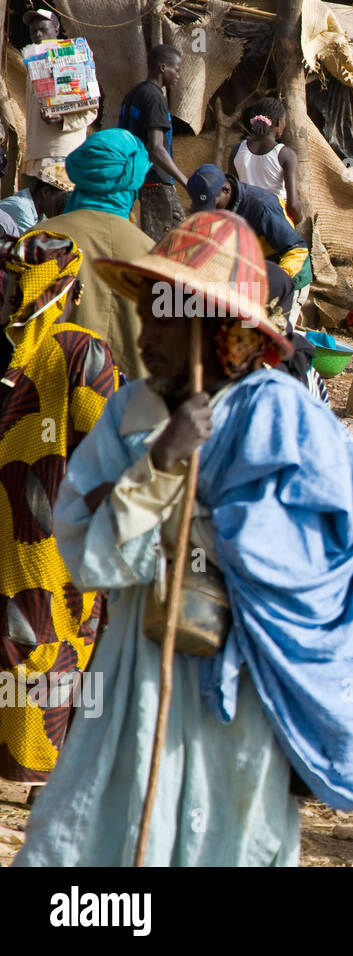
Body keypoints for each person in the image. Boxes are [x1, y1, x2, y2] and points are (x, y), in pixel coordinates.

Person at [14, 211, 353, 866]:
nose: (144, 336)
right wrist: (160, 468)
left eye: (165, 320)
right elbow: (89, 556)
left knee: (225, 844)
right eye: (145, 314)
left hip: (240, 708)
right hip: (134, 687)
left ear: (216, 326)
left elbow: (310, 565)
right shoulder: (130, 414)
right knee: (94, 842)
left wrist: (174, 520)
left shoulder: (285, 420)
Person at [0, 231, 120, 786]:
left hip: (8, 524)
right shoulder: (84, 351)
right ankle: (42, 772)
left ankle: (13, 763)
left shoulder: (9, 348)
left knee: (13, 636)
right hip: (56, 533)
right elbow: (104, 450)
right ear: (69, 289)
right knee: (57, 642)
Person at [37, 129, 155, 381]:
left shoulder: (38, 240)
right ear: (134, 183)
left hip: (48, 409)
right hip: (132, 410)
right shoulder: (155, 256)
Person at [186, 164, 312, 321]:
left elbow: (297, 250)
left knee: (273, 333)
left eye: (213, 205)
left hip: (287, 278)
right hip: (253, 277)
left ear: (226, 190)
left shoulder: (262, 207)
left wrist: (272, 286)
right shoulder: (219, 207)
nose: (211, 212)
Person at [119, 44, 188, 241]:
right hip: (154, 180)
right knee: (162, 242)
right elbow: (156, 149)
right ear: (163, 67)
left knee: (180, 236)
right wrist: (186, 181)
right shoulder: (155, 97)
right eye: (177, 69)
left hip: (139, 177)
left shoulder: (133, 95)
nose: (178, 75)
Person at [20, 10, 96, 188]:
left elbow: (90, 111)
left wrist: (63, 120)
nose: (38, 35)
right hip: (34, 156)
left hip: (61, 155)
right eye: (33, 32)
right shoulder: (32, 65)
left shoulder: (75, 61)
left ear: (56, 29)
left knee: (56, 211)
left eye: (42, 29)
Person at [230, 97, 301, 224]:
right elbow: (293, 205)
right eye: (285, 121)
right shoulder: (285, 154)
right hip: (276, 222)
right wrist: (297, 221)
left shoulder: (236, 151)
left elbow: (232, 195)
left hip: (246, 223)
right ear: (279, 123)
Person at [0, 166, 70, 234]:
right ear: (45, 192)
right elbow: (32, 243)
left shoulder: (38, 214)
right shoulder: (21, 209)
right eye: (61, 203)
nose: (63, 209)